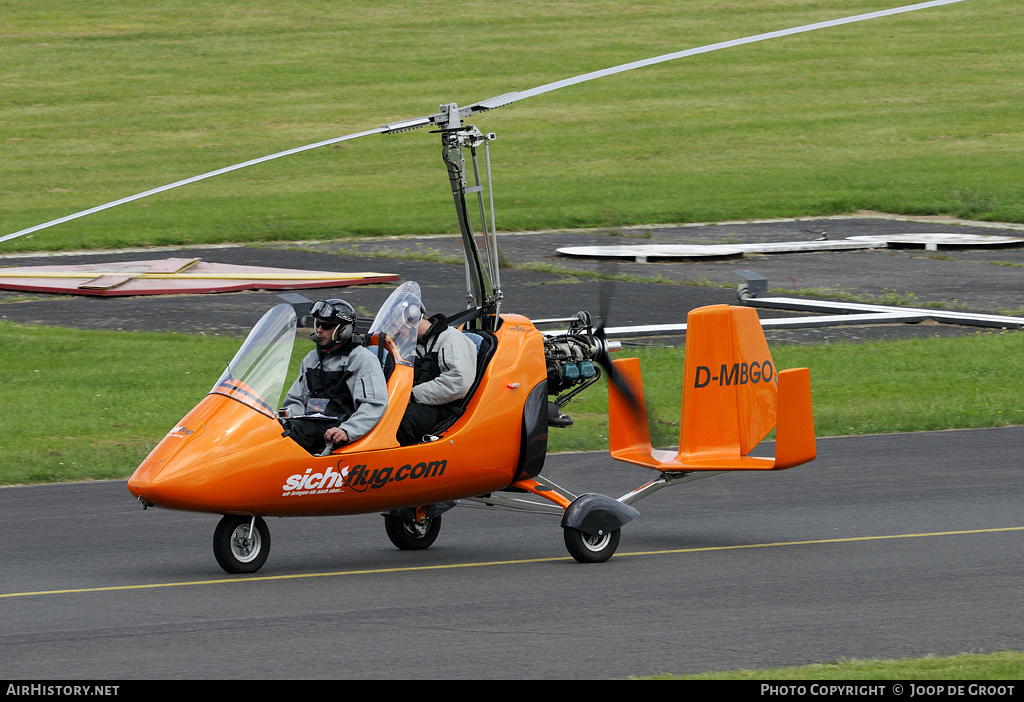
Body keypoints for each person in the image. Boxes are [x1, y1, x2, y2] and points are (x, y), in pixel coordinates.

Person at [280, 298, 388, 455]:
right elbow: (295, 400)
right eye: (318, 324)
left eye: (327, 326)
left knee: (294, 432)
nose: (319, 330)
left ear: (344, 330)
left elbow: (374, 405)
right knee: (271, 428)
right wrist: (285, 419)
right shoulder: (312, 359)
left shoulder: (362, 360)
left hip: (337, 429)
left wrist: (347, 430)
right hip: (308, 425)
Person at [396, 301, 479, 446]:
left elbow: (459, 381)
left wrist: (413, 395)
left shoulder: (450, 339)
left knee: (397, 421)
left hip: (444, 408)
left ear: (412, 319)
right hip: (424, 404)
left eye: (398, 327)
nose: (397, 332)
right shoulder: (418, 344)